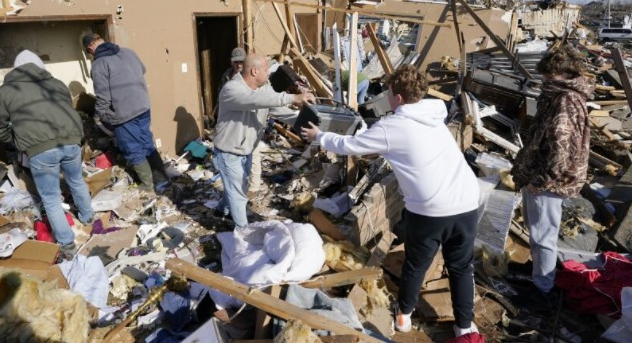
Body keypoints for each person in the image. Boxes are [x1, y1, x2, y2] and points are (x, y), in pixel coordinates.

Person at [301, 64, 480, 337]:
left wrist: (319, 136)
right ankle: (464, 326)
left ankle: (404, 317)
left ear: (396, 96)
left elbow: (350, 145)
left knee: (416, 264)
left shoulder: (392, 126)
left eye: (388, 92)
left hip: (431, 208)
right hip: (467, 200)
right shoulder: (434, 114)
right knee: (461, 266)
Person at [0, 50, 93, 260]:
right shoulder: (57, 84)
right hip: (71, 140)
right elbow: (66, 110)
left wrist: (18, 141)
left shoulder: (6, 91)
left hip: (40, 150)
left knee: (51, 198)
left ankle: (67, 244)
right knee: (76, 180)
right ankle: (88, 218)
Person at [511, 46, 593, 309]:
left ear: (563, 74)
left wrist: (543, 180)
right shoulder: (561, 95)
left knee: (544, 235)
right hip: (543, 176)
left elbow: (562, 146)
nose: (545, 81)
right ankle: (539, 271)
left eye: (549, 76)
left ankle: (543, 289)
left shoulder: (564, 100)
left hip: (548, 181)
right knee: (539, 230)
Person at [214, 53, 315, 227]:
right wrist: (293, 98)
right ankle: (244, 233)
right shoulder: (232, 89)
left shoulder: (262, 90)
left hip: (246, 149)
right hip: (228, 151)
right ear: (254, 71)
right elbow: (256, 100)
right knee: (238, 192)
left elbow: (275, 108)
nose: (269, 73)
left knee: (238, 186)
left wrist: (308, 120)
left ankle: (220, 210)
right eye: (266, 69)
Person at [82, 33, 170, 193]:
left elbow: (103, 97)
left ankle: (148, 186)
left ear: (90, 48)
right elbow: (142, 70)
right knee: (146, 142)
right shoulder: (128, 52)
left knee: (133, 149)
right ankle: (162, 179)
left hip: (124, 114)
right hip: (143, 106)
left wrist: (98, 115)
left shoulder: (99, 64)